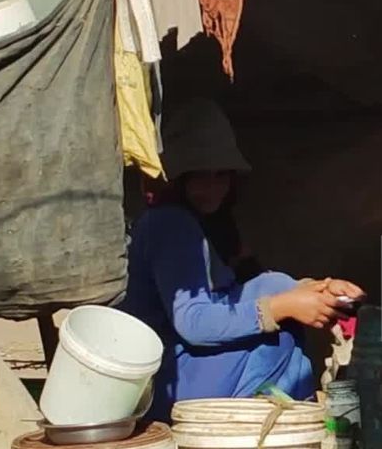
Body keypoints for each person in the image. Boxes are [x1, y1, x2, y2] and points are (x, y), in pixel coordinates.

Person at [122, 100, 365, 422]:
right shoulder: (169, 224)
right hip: (163, 385)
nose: (212, 188)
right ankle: (243, 431)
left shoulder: (213, 226)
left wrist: (318, 291)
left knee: (277, 289)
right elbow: (193, 322)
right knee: (278, 336)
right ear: (177, 179)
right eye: (200, 177)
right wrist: (283, 307)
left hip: (192, 371)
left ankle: (286, 426)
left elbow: (248, 288)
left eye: (221, 176)